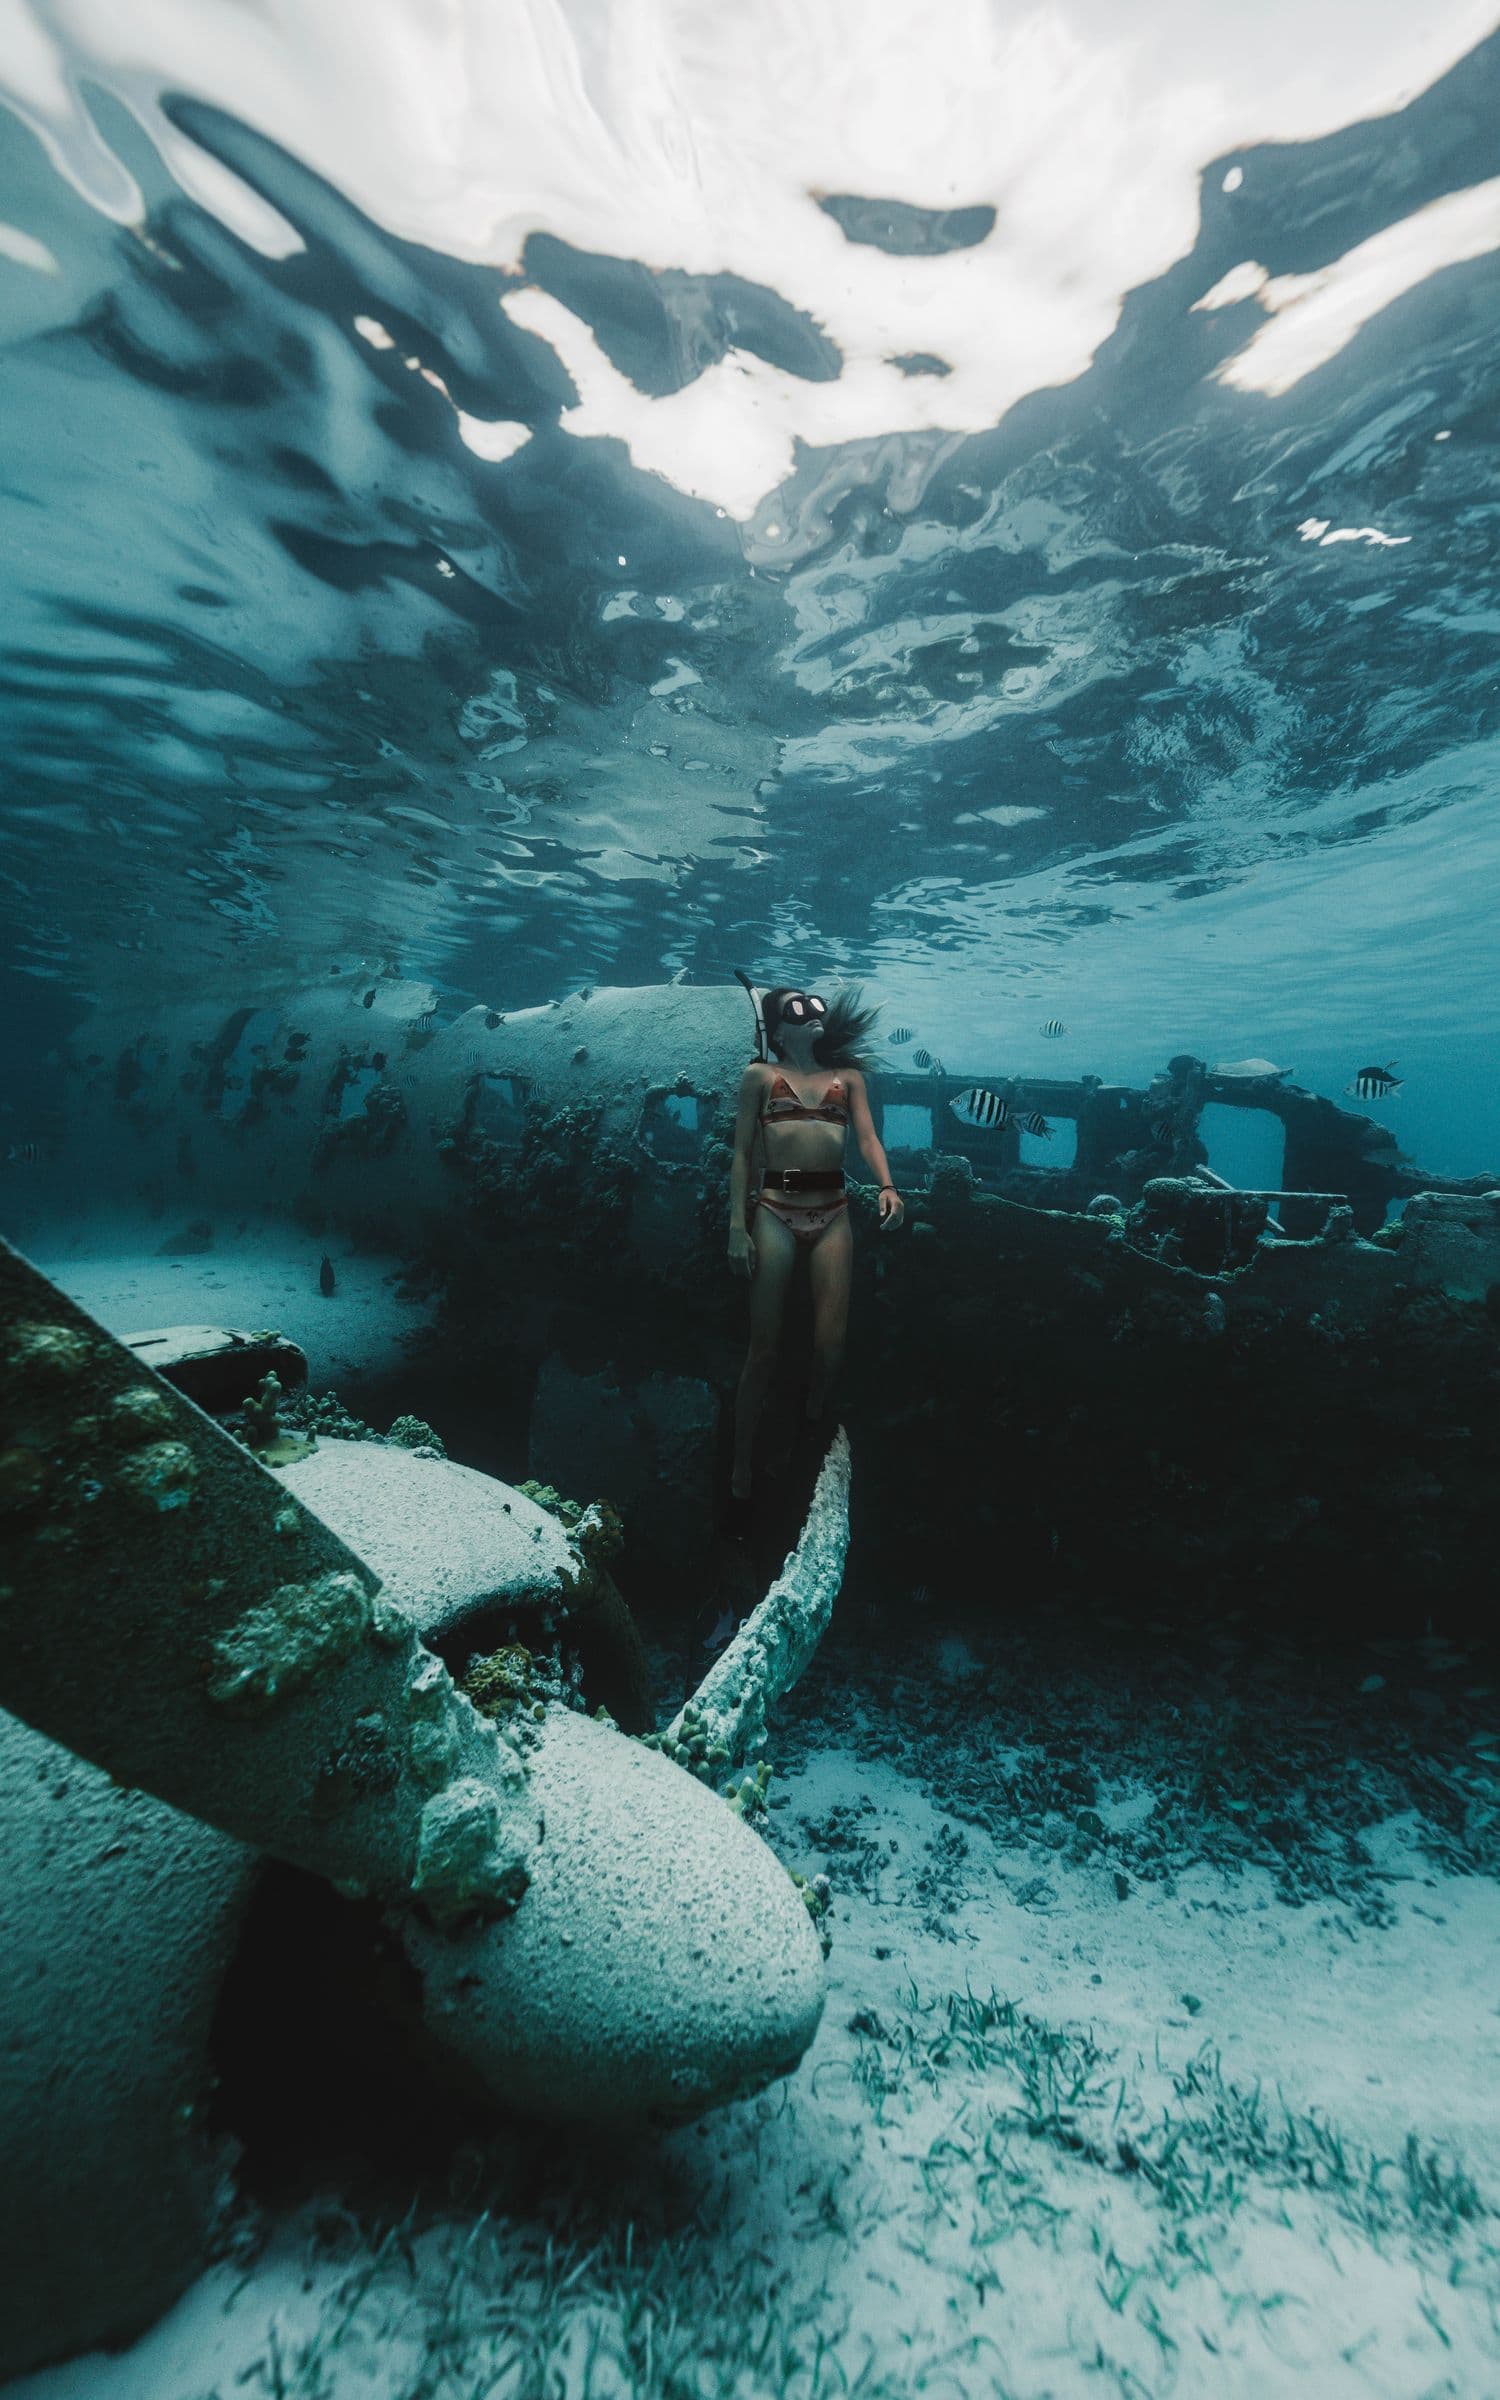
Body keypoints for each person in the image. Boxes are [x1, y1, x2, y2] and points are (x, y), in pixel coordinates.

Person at [728, 985, 903, 1497]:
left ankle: (808, 1420)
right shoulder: (759, 1076)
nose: (813, 1014)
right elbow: (742, 1154)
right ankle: (741, 1461)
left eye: (817, 1006)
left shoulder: (849, 1079)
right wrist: (736, 1226)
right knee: (762, 1350)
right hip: (775, 1211)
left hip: (834, 1212)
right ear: (777, 1029)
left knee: (831, 1347)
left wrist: (888, 1185)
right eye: (798, 1009)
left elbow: (868, 1138)